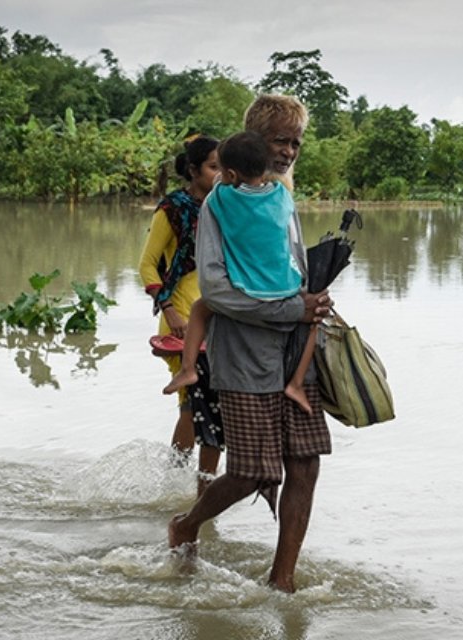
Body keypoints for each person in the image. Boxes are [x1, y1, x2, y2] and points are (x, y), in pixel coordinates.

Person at [167, 95, 334, 593]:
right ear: (256, 143)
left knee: (304, 464)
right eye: (280, 141)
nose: (288, 152)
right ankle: (186, 524)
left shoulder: (282, 196)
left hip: (294, 351)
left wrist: (314, 300)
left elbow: (291, 267)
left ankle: (281, 581)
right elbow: (215, 290)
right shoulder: (220, 203)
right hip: (241, 357)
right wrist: (289, 309)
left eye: (296, 143)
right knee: (251, 472)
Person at [162, 131, 317, 415]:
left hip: (248, 287)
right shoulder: (282, 196)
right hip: (289, 287)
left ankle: (187, 369)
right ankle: (296, 383)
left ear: (230, 173)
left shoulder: (220, 200)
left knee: (200, 308)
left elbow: (221, 189)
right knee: (315, 320)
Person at [138, 135, 223, 494]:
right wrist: (169, 311)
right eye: (212, 167)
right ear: (193, 170)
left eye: (224, 167)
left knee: (208, 402)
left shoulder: (224, 207)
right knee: (193, 402)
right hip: (182, 315)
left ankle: (196, 488)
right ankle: (181, 483)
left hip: (219, 314)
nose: (219, 175)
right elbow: (146, 266)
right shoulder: (171, 209)